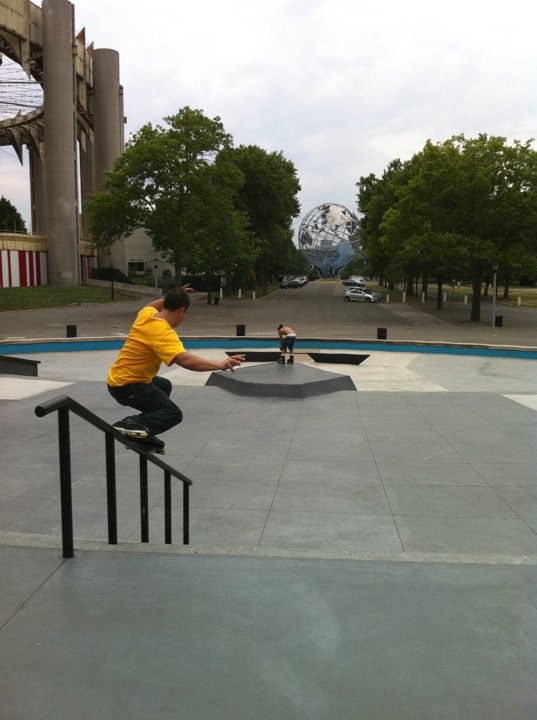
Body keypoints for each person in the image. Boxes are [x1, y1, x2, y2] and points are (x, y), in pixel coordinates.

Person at [107, 286, 244, 452]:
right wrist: (221, 365)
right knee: (173, 413)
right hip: (128, 385)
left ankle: (141, 431)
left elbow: (151, 305)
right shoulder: (162, 332)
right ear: (181, 311)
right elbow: (185, 360)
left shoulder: (146, 315)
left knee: (164, 385)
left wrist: (176, 295)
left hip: (118, 379)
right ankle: (134, 424)